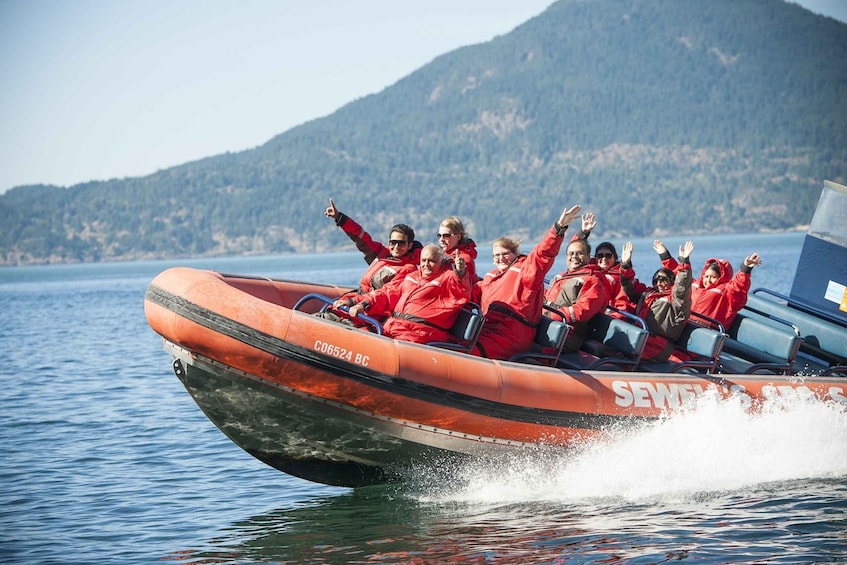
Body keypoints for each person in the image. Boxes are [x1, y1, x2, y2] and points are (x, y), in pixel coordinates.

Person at [470, 204, 583, 360]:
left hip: (511, 334)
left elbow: (541, 255)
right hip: (488, 329)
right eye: (496, 255)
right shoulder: (490, 278)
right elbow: (468, 293)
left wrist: (558, 229)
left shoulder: (524, 272)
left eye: (504, 254)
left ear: (515, 254)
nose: (500, 258)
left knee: (472, 351)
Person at [341, 244, 472, 344]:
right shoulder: (411, 277)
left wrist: (460, 273)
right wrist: (358, 302)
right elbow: (387, 293)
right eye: (424, 260)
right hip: (391, 327)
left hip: (417, 334)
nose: (426, 265)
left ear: (441, 261)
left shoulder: (448, 279)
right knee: (354, 333)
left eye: (431, 261)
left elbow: (461, 289)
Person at [324, 198, 422, 293]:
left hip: (371, 305)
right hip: (360, 298)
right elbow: (360, 236)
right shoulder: (381, 253)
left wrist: (359, 303)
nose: (396, 247)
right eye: (393, 242)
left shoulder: (410, 269)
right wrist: (339, 218)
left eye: (401, 243)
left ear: (409, 245)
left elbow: (389, 294)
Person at [620, 240, 695, 363]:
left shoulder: (676, 301)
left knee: (626, 356)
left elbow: (682, 288)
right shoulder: (648, 294)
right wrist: (625, 265)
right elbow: (628, 285)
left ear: (672, 281)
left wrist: (684, 263)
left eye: (664, 279)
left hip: (658, 346)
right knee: (608, 349)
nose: (660, 283)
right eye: (657, 279)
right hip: (641, 338)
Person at [544, 238, 611, 352]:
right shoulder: (560, 277)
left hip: (568, 333)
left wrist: (553, 315)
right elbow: (546, 298)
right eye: (571, 253)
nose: (574, 256)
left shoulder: (592, 281)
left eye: (580, 253)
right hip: (547, 323)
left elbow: (583, 310)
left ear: (589, 257)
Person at [690, 252, 762, 329]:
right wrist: (684, 259)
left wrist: (746, 268)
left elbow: (738, 287)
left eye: (713, 277)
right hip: (688, 324)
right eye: (706, 276)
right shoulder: (695, 285)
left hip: (709, 330)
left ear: (721, 277)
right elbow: (680, 277)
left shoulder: (727, 291)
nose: (708, 280)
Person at [437, 216, 479, 282]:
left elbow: (468, 286)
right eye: (439, 236)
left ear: (458, 236)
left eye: (446, 236)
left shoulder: (464, 259)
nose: (441, 239)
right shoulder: (439, 256)